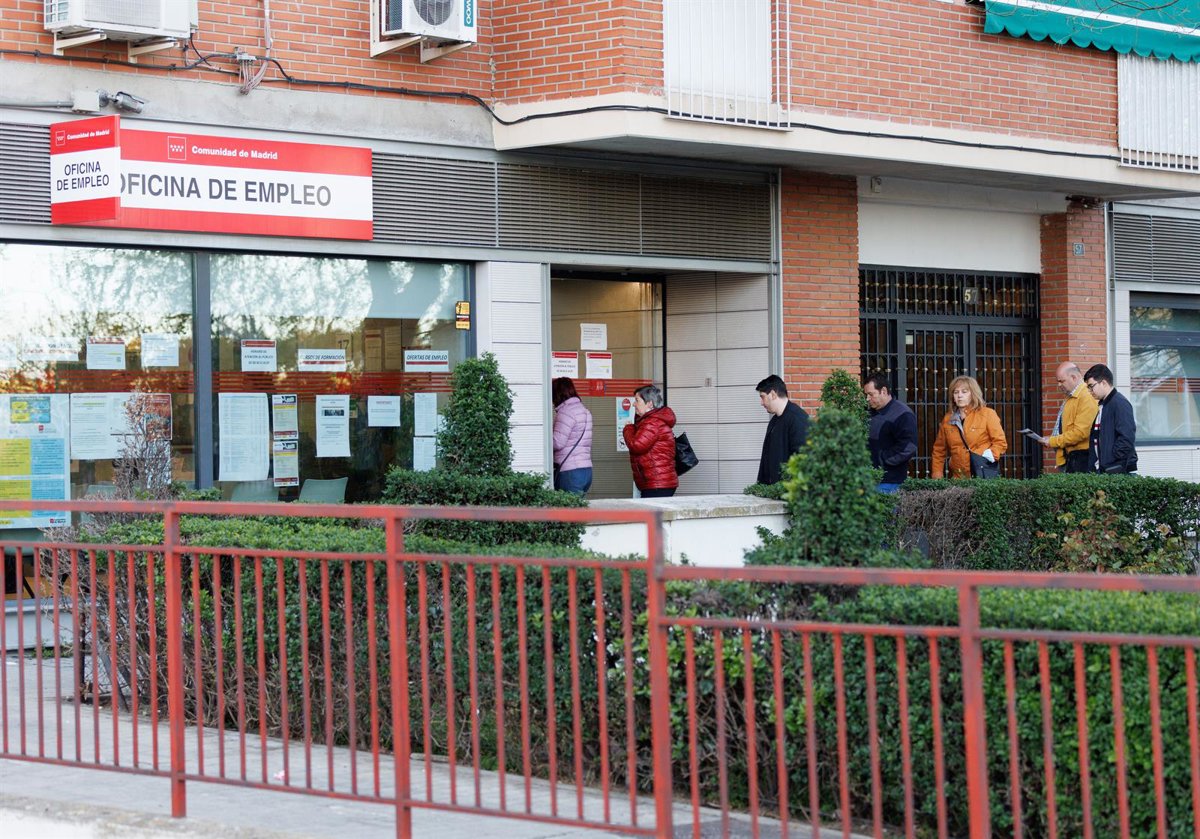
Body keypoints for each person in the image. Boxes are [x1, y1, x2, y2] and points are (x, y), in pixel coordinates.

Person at [929, 375, 1007, 479]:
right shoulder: (948, 419)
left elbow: (1000, 443)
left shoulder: (987, 414)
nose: (959, 395)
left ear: (973, 394)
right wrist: (937, 474)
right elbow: (939, 450)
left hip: (982, 475)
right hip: (958, 477)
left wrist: (989, 455)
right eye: (956, 392)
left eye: (964, 392)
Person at [1034, 362, 1098, 472]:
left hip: (1081, 457)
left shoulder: (1086, 396)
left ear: (1074, 377)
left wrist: (1053, 441)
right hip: (1072, 456)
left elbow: (1081, 433)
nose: (1059, 385)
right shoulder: (1071, 395)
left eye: (1061, 381)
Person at [862, 374, 917, 494]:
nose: (867, 399)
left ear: (883, 391)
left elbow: (908, 447)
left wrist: (882, 460)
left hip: (890, 482)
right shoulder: (867, 413)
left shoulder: (903, 414)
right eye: (866, 395)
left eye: (871, 394)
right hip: (867, 480)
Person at [622, 384, 678, 498]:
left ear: (649, 403)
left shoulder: (652, 423)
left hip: (657, 483)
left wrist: (628, 429)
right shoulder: (650, 421)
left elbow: (637, 445)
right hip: (657, 482)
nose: (633, 404)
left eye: (637, 400)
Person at [1083, 363, 1138, 474]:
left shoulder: (1120, 403)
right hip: (1106, 470)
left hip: (1117, 471)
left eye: (1091, 386)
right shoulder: (1104, 405)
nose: (1089, 391)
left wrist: (1111, 461)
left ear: (1103, 383)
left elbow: (1127, 437)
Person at [755, 374, 810, 485]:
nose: (761, 403)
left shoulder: (797, 419)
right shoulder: (774, 421)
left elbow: (804, 461)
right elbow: (766, 459)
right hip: (774, 491)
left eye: (762, 397)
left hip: (790, 491)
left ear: (773, 394)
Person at [551, 377, 593, 495]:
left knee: (566, 506)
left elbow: (558, 442)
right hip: (586, 470)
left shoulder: (566, 412)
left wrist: (542, 438)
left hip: (570, 472)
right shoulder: (585, 411)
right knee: (577, 506)